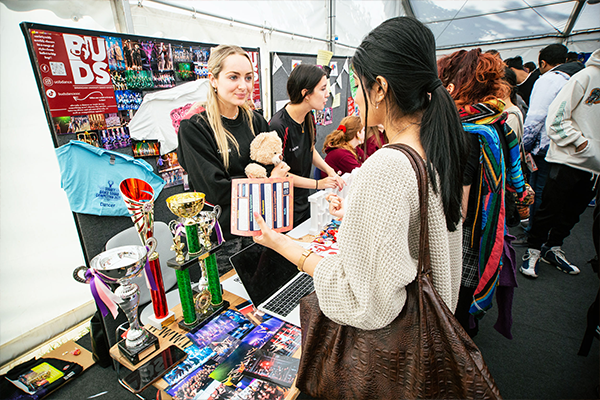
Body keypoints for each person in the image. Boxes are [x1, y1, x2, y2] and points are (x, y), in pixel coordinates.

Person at [253, 17, 468, 332]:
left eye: (356, 84)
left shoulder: (387, 166)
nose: (351, 96)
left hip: (399, 345)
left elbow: (364, 302)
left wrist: (284, 246)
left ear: (379, 89)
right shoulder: (437, 146)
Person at [177, 45, 289, 273]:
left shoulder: (256, 120)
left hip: (261, 227)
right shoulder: (195, 128)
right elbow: (215, 190)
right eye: (233, 77)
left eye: (248, 78)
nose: (243, 86)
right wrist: (267, 183)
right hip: (223, 239)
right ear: (213, 79)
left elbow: (273, 165)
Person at [437, 48, 526, 337]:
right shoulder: (496, 120)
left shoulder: (467, 131)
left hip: (469, 235)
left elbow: (458, 210)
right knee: (462, 308)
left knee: (455, 310)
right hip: (487, 228)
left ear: (453, 86)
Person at [520, 48, 600, 278]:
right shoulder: (585, 76)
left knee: (574, 212)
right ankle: (533, 249)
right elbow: (555, 117)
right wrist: (581, 143)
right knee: (549, 207)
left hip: (594, 167)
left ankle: (553, 247)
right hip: (567, 159)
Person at [269, 64, 344, 226]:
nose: (327, 94)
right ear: (306, 94)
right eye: (323, 89)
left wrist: (330, 171)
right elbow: (277, 175)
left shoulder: (308, 116)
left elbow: (310, 149)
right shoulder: (278, 125)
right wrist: (318, 184)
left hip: (304, 198)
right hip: (283, 205)